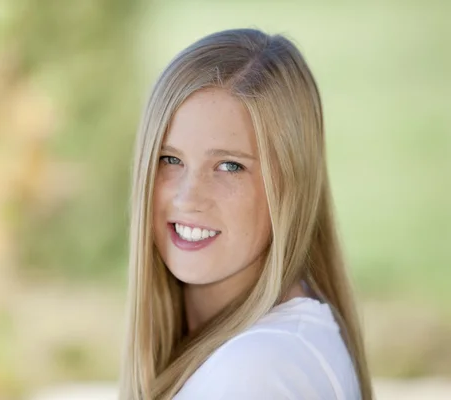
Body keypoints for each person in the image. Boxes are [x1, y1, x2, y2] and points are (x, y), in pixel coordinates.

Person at [119, 28, 373, 400]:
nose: (189, 198)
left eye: (229, 166)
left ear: (290, 186)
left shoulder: (256, 372)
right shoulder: (265, 352)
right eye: (170, 159)